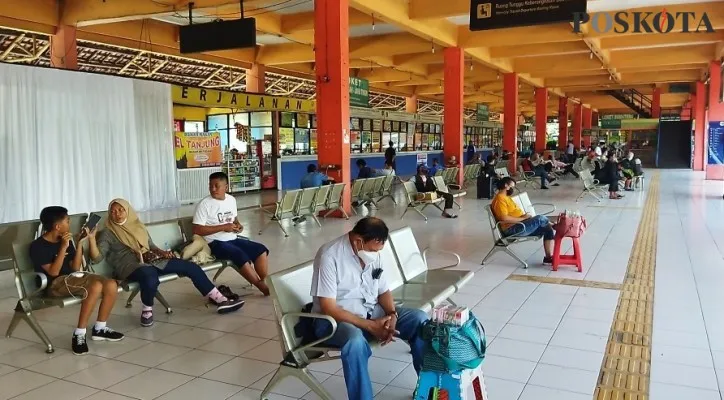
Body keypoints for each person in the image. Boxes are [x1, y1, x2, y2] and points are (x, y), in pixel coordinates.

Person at [310, 217, 429, 400]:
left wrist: (391, 314)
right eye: (373, 249)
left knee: (419, 319)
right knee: (355, 342)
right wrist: (369, 326)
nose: (376, 254)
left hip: (370, 313)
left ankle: (426, 389)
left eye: (379, 250)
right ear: (358, 241)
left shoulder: (373, 252)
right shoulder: (329, 255)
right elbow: (328, 308)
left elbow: (383, 290)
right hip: (333, 322)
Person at [94, 199, 244, 327]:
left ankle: (220, 299)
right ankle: (147, 310)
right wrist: (89, 239)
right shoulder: (108, 232)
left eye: (121, 210)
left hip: (152, 259)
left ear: (128, 211)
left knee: (190, 267)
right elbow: (97, 258)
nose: (117, 214)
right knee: (149, 275)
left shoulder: (138, 226)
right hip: (129, 266)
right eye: (113, 211)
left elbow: (151, 246)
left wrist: (163, 253)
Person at [30, 206, 125, 355]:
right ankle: (79, 333)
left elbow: (75, 267)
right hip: (54, 284)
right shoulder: (37, 246)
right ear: (57, 226)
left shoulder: (66, 239)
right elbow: (54, 272)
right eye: (67, 220)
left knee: (111, 284)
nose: (70, 223)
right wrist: (63, 247)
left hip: (73, 277)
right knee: (94, 286)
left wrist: (79, 242)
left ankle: (100, 328)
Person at [193, 172, 271, 295]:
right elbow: (197, 229)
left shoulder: (231, 200)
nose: (213, 189)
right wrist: (223, 227)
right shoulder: (205, 204)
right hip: (214, 243)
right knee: (239, 254)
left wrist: (238, 225)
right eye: (210, 186)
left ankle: (263, 281)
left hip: (232, 238)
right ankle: (262, 287)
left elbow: (234, 219)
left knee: (261, 250)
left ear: (226, 187)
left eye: (216, 186)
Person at [491, 178, 556, 264]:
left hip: (520, 225)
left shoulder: (506, 197)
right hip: (512, 229)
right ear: (506, 186)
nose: (513, 189)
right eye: (512, 187)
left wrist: (525, 217)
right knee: (540, 218)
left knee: (547, 229)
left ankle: (548, 257)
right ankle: (555, 225)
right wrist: (523, 218)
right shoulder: (500, 199)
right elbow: (504, 218)